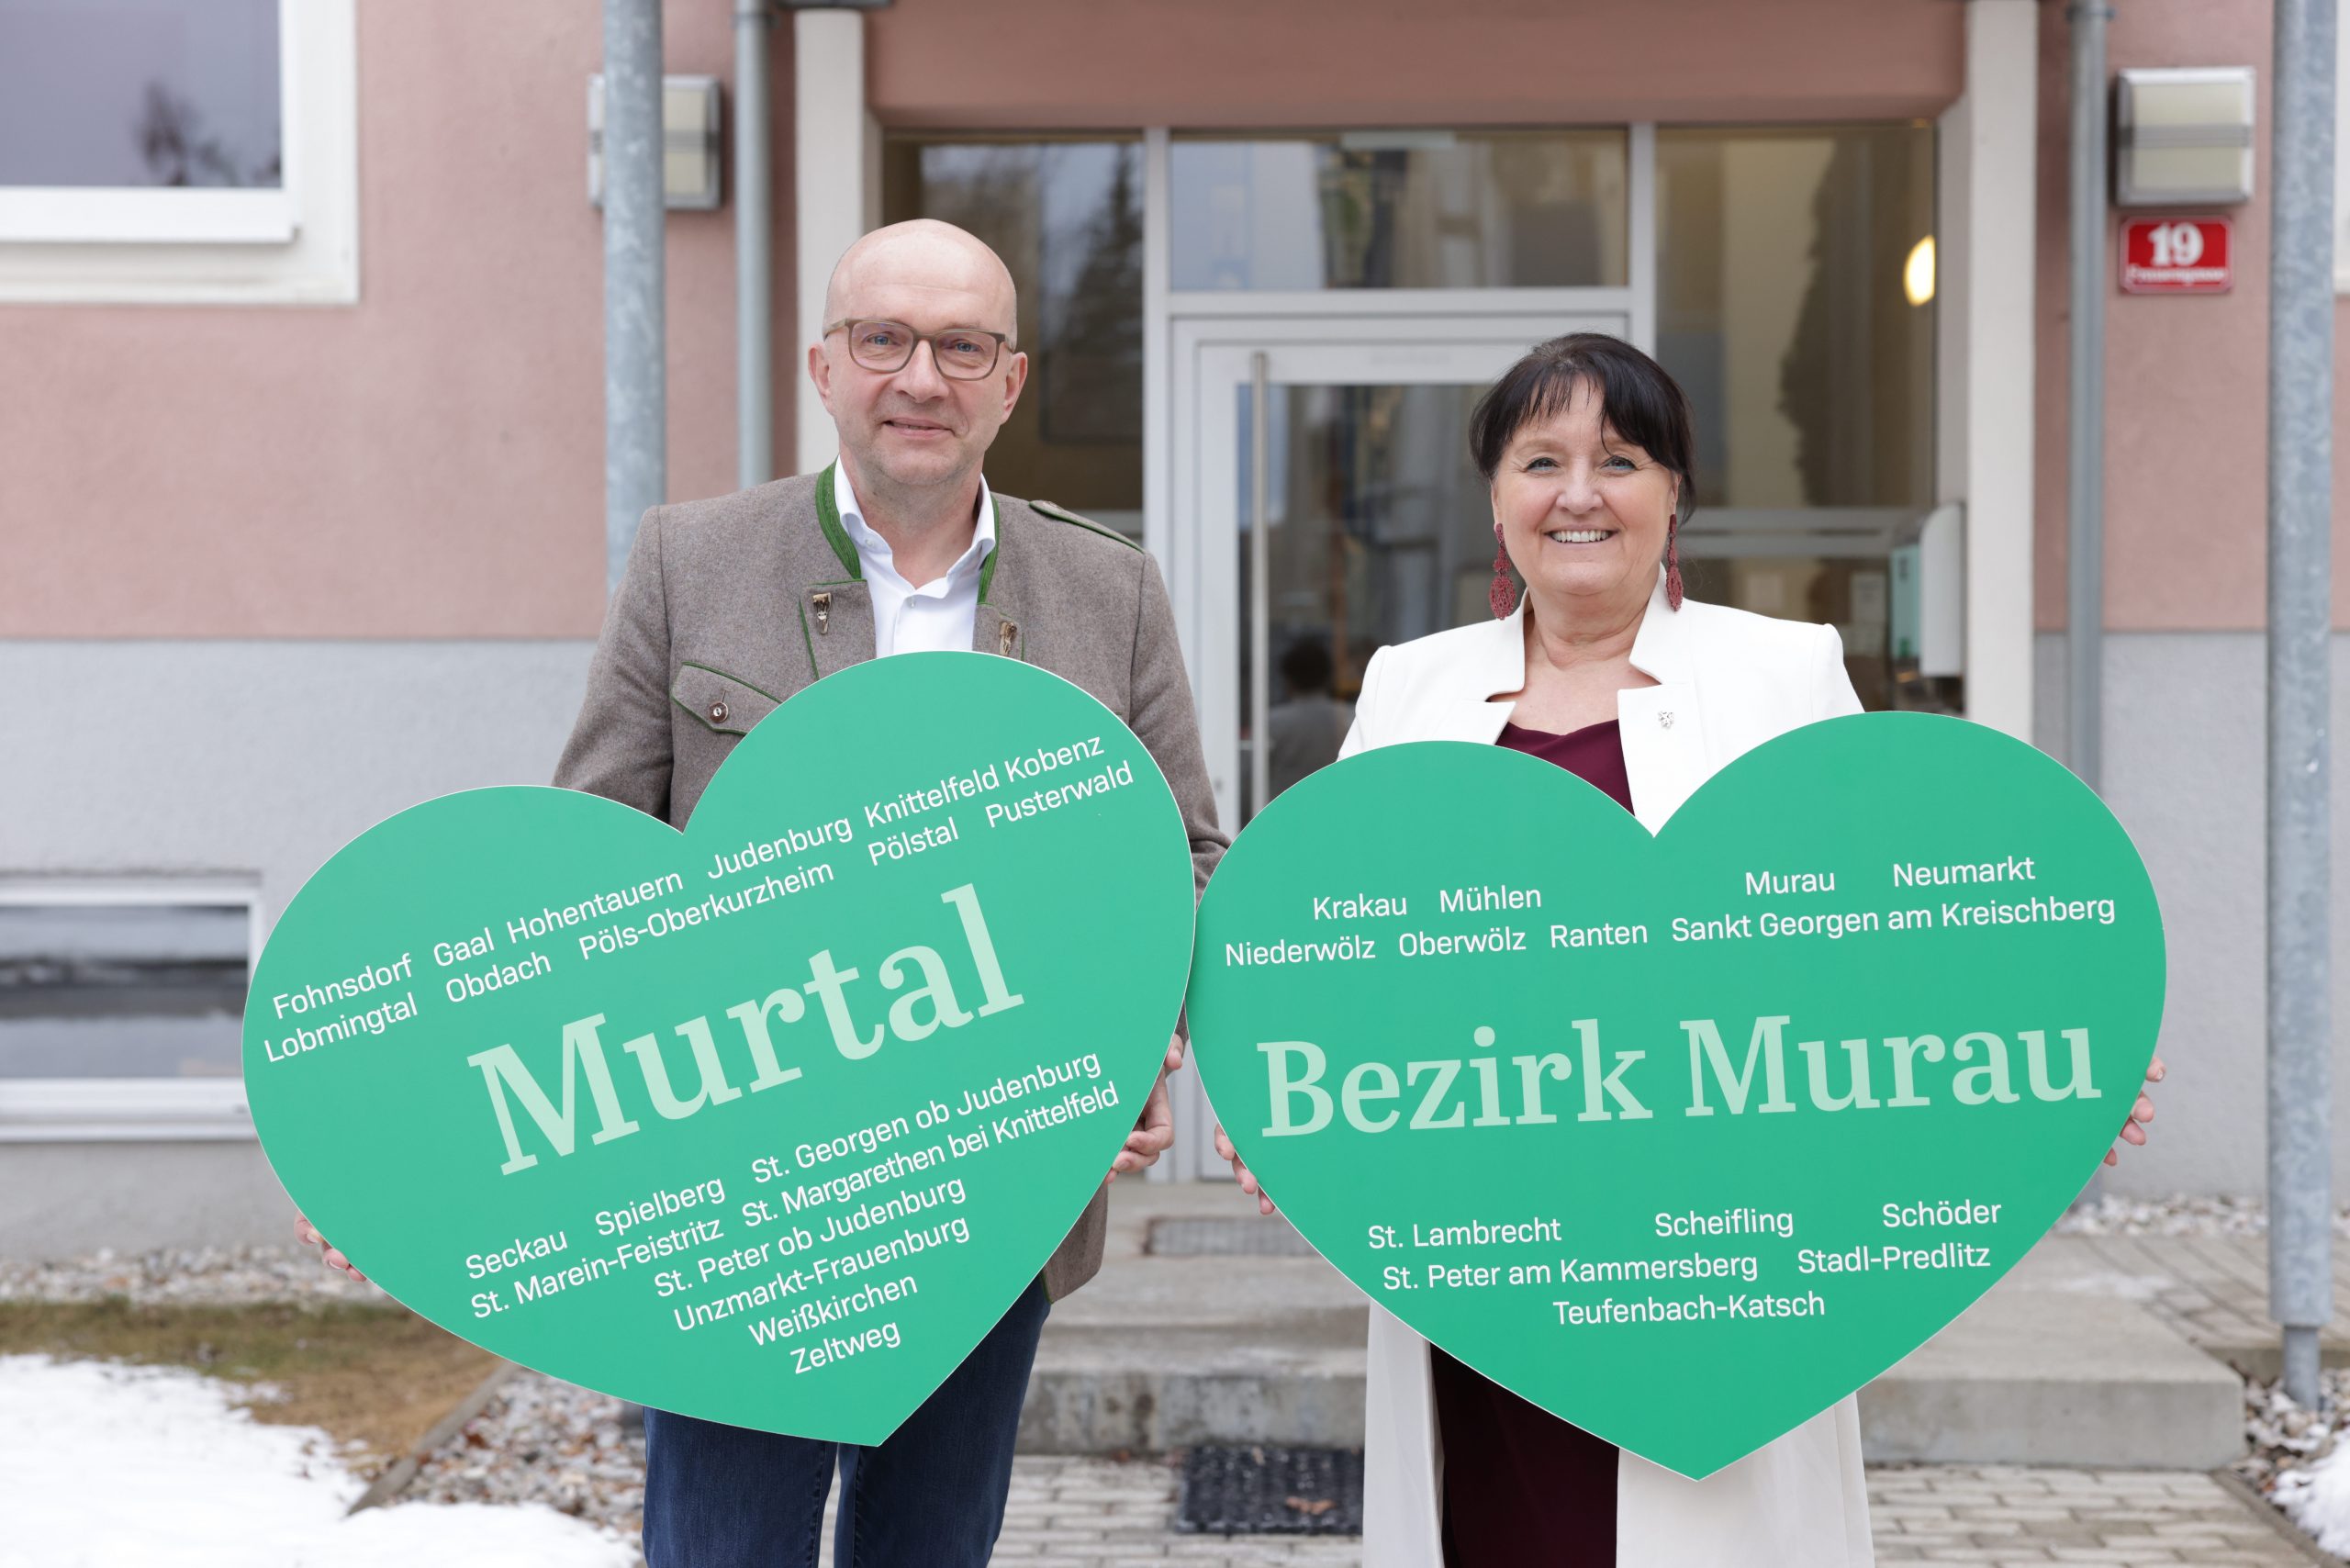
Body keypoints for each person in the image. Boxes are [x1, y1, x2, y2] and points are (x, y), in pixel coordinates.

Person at [299, 218, 1226, 1568]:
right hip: (744, 1198)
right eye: (883, 339)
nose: (921, 377)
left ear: (1011, 382)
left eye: (962, 346)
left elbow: (1182, 858)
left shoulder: (1109, 588)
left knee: (930, 1552)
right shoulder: (693, 559)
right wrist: (403, 1147)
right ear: (823, 366)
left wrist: (1130, 1037)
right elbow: (579, 888)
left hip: (989, 1184)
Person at [1216, 332, 2164, 1566]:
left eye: (1619, 459)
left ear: (1674, 493)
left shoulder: (1782, 671)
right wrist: (1276, 1097)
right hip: (1490, 1233)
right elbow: (1341, 941)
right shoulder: (1409, 686)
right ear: (1495, 498)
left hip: (1716, 1244)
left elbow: (1887, 923)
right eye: (1540, 461)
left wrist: (2060, 1045)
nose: (1578, 493)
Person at [1264, 637, 1352, 801]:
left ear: (1288, 680)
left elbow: (1248, 781)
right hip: (1338, 805)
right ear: (1328, 677)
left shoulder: (1273, 723)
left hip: (1286, 810)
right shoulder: (1349, 717)